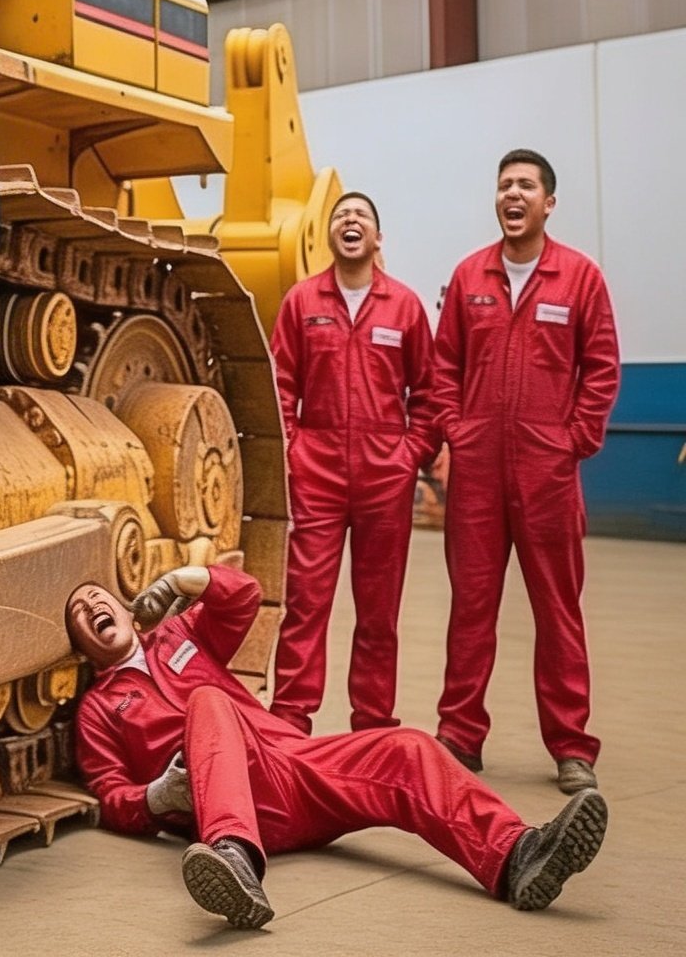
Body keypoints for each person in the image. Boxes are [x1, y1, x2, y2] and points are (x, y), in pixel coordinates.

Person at [69, 566, 608, 930]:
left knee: (406, 747)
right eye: (80, 613)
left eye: (98, 596)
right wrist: (159, 797)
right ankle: (235, 859)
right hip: (228, 805)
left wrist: (189, 578)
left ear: (124, 605)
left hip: (294, 768)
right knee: (208, 701)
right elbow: (111, 797)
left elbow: (244, 600)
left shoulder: (182, 635)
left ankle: (519, 857)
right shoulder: (97, 708)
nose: (93, 605)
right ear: (81, 645)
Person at [431, 148, 620, 792]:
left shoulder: (580, 278)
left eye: (526, 186)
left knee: (558, 609)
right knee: (471, 607)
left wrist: (573, 440)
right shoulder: (469, 277)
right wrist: (459, 430)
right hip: (478, 472)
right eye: (505, 185)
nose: (513, 195)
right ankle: (459, 734)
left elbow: (601, 368)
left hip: (548, 473)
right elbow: (443, 367)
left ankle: (571, 746)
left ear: (548, 203)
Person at [268, 192, 435, 735]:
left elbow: (429, 394)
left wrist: (409, 455)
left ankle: (373, 725)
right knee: (306, 604)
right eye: (342, 215)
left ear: (378, 239)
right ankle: (292, 720)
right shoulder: (301, 301)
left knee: (379, 613)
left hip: (385, 477)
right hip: (316, 474)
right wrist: (294, 451)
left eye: (362, 216)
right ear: (330, 236)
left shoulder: (405, 306)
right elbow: (280, 387)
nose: (351, 221)